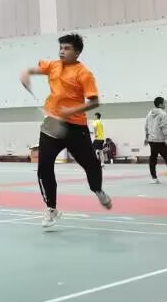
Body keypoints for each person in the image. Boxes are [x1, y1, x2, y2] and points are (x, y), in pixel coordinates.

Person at [20, 33, 112, 228]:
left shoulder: (84, 73)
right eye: (61, 48)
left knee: (90, 164)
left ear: (77, 53)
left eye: (67, 48)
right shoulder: (54, 65)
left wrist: (72, 110)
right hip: (52, 123)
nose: (62, 51)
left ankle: (98, 190)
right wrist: (26, 73)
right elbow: (34, 69)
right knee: (44, 166)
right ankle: (51, 209)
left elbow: (95, 102)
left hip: (75, 127)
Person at [144, 96, 167, 184]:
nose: (165, 105)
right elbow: (164, 126)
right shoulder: (163, 113)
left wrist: (146, 138)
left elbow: (146, 126)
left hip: (151, 140)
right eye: (164, 103)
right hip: (161, 140)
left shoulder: (149, 113)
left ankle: (154, 178)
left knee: (153, 159)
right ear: (160, 104)